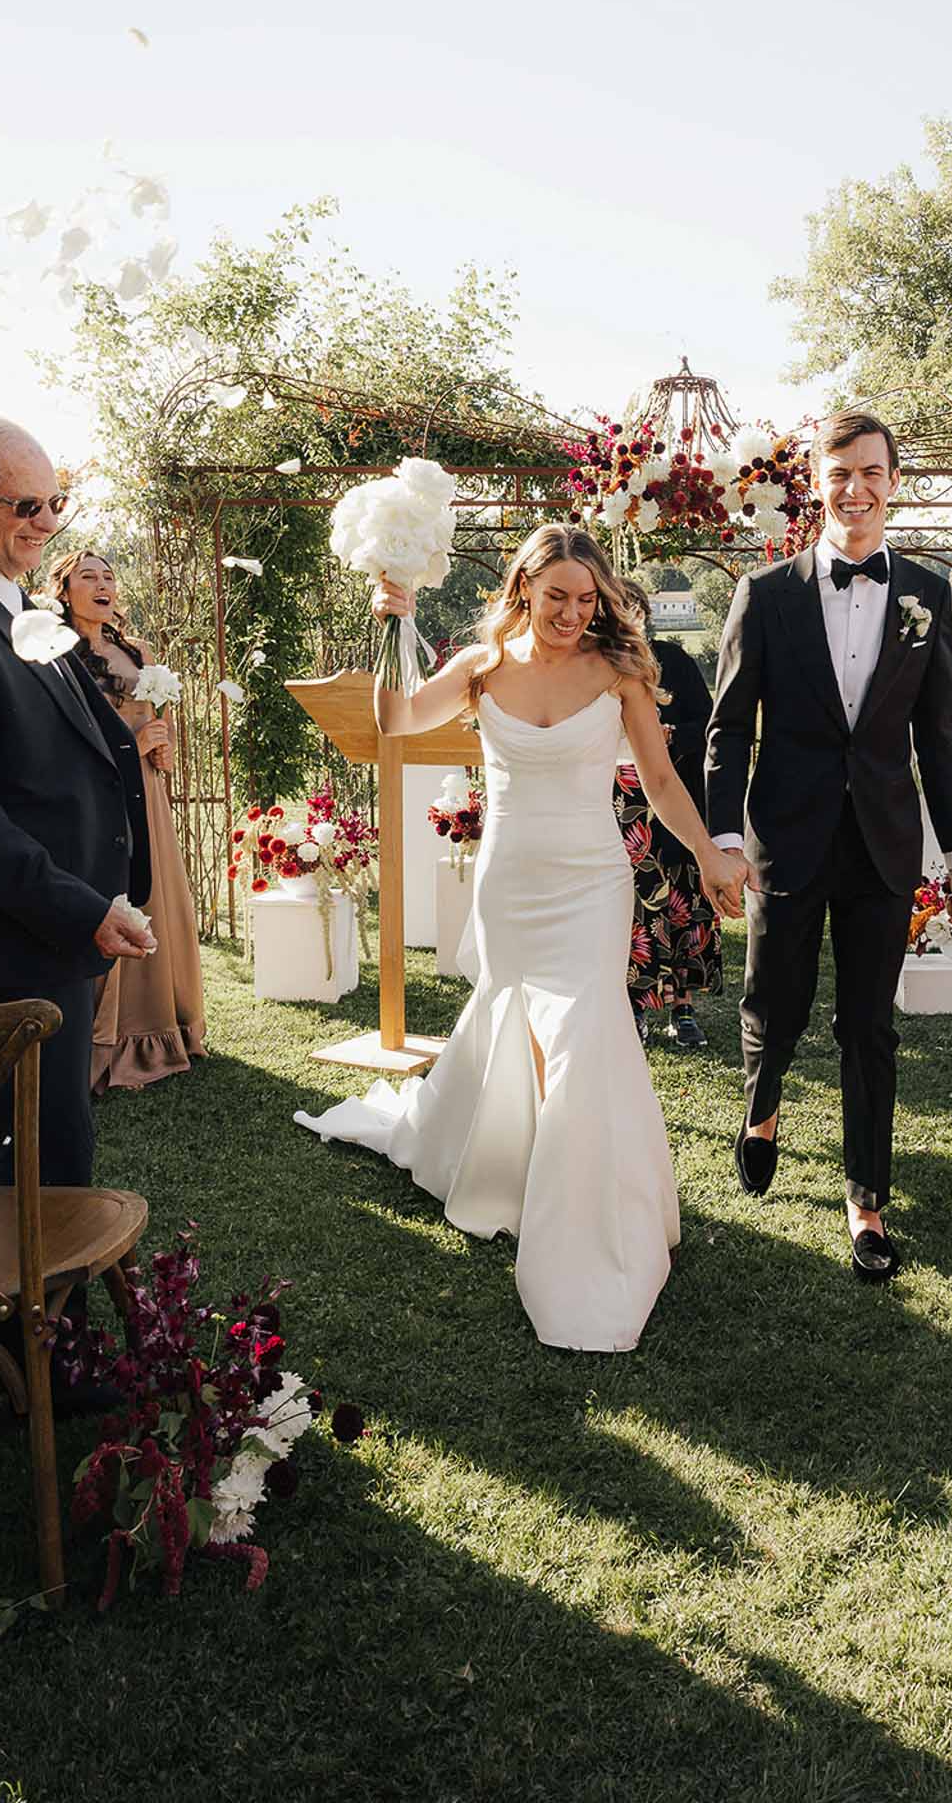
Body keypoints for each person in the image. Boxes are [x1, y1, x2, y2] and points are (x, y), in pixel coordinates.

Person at [295, 525, 748, 1353]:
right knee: (519, 1032)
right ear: (523, 590)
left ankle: (588, 1238)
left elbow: (658, 780)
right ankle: (519, 1169)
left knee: (583, 1038)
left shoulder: (619, 673)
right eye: (556, 599)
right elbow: (395, 719)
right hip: (512, 884)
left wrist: (712, 853)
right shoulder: (479, 669)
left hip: (592, 884)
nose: (573, 613)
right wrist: (393, 621)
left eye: (586, 599)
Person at [706, 409, 952, 1283]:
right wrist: (721, 838)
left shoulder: (928, 596)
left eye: (871, 473)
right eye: (839, 474)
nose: (854, 489)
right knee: (774, 1007)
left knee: (869, 1028)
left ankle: (866, 1202)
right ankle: (762, 1108)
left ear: (893, 483)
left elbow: (938, 735)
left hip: (883, 845)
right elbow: (725, 729)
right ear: (814, 486)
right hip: (785, 839)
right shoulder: (767, 592)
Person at [0, 417, 153, 1192]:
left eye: (57, 502)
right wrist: (79, 906)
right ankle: (29, 1315)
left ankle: (51, 1310)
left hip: (57, 945)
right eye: (25, 507)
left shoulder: (21, 610)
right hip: (9, 953)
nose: (47, 523)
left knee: (60, 1152)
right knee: (25, 1173)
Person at [45, 549, 207, 1092]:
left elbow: (154, 723)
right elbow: (62, 742)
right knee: (112, 894)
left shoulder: (137, 652)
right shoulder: (56, 656)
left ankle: (164, 1026)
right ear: (64, 590)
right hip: (100, 797)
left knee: (156, 896)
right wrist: (130, 747)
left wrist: (161, 747)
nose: (102, 584)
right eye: (87, 577)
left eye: (108, 576)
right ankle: (108, 1037)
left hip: (148, 795)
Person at [614, 580, 722, 1049]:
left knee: (679, 902)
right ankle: (632, 1008)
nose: (629, 616)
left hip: (674, 799)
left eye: (634, 608)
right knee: (631, 911)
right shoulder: (600, 667)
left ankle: (683, 1009)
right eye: (619, 608)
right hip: (621, 809)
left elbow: (710, 723)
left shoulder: (673, 660)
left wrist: (669, 732)